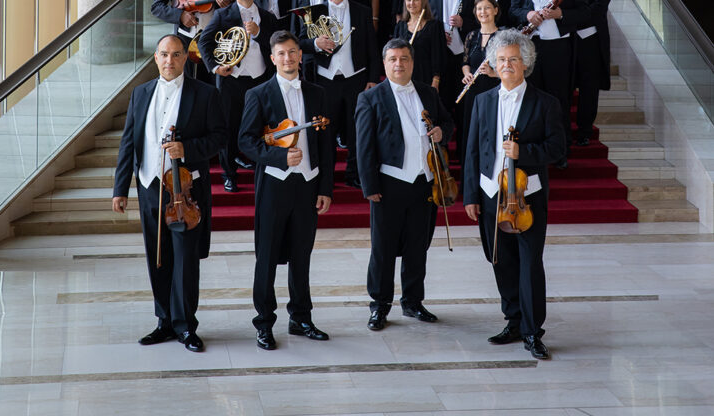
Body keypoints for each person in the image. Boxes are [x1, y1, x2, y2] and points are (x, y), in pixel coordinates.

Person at [112, 34, 227, 353]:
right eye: (163, 55)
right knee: (157, 257)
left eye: (176, 55)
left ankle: (186, 325)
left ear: (184, 58)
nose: (169, 61)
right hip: (149, 186)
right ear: (155, 58)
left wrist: (186, 148)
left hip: (186, 189)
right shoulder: (140, 93)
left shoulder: (205, 94)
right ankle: (164, 320)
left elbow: (219, 138)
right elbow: (128, 143)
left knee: (186, 259)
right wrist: (120, 188)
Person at [463, 29, 565, 360]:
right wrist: (471, 196)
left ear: (526, 63)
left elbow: (557, 149)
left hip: (527, 196)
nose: (507, 64)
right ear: (493, 63)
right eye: (501, 60)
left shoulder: (545, 103)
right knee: (501, 260)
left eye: (514, 60)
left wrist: (524, 151)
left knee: (529, 263)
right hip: (491, 193)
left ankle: (533, 331)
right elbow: (473, 152)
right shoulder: (482, 100)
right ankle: (513, 320)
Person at [238, 30, 333, 350]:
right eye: (281, 53)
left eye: (293, 52)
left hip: (307, 185)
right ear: (272, 57)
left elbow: (325, 145)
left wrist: (325, 187)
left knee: (301, 256)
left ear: (300, 55)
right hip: (274, 187)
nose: (288, 58)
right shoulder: (258, 94)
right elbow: (245, 142)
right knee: (266, 257)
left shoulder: (318, 93)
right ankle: (264, 323)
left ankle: (301, 318)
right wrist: (279, 155)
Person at [356, 39, 453, 330]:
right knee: (383, 248)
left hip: (425, 182)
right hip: (389, 183)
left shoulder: (427, 92)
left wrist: (441, 132)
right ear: (385, 64)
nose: (399, 64)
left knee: (417, 246)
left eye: (404, 59)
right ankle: (380, 305)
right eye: (393, 59)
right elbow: (364, 146)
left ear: (412, 62)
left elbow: (448, 123)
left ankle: (412, 302)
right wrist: (369, 185)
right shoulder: (371, 98)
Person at [509, 0, 592, 163]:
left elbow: (585, 12)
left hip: (558, 47)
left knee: (559, 98)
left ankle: (561, 150)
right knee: (531, 97)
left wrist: (560, 14)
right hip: (531, 46)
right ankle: (532, 148)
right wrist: (528, 14)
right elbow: (513, 8)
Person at [297, 0, 381, 188]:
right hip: (325, 80)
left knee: (356, 130)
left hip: (356, 79)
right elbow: (299, 42)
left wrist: (373, 78)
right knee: (326, 131)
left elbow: (372, 48)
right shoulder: (314, 12)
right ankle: (327, 177)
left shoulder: (362, 11)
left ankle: (353, 174)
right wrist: (316, 43)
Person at [200, 0, 278, 192]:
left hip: (260, 81)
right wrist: (215, 67)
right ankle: (229, 174)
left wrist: (260, 32)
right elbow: (205, 42)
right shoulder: (223, 15)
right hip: (231, 81)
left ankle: (263, 168)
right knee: (228, 126)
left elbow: (275, 45)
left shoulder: (267, 16)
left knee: (258, 126)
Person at [573, 0, 615, 146]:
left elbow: (598, 10)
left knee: (589, 89)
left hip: (590, 41)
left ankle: (584, 130)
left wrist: (567, 16)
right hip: (566, 40)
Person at [393, 0, 445, 92]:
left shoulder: (434, 26)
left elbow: (439, 55)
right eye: (408, 0)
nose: (412, 3)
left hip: (426, 76)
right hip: (405, 76)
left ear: (423, 2)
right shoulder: (400, 26)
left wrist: (435, 80)